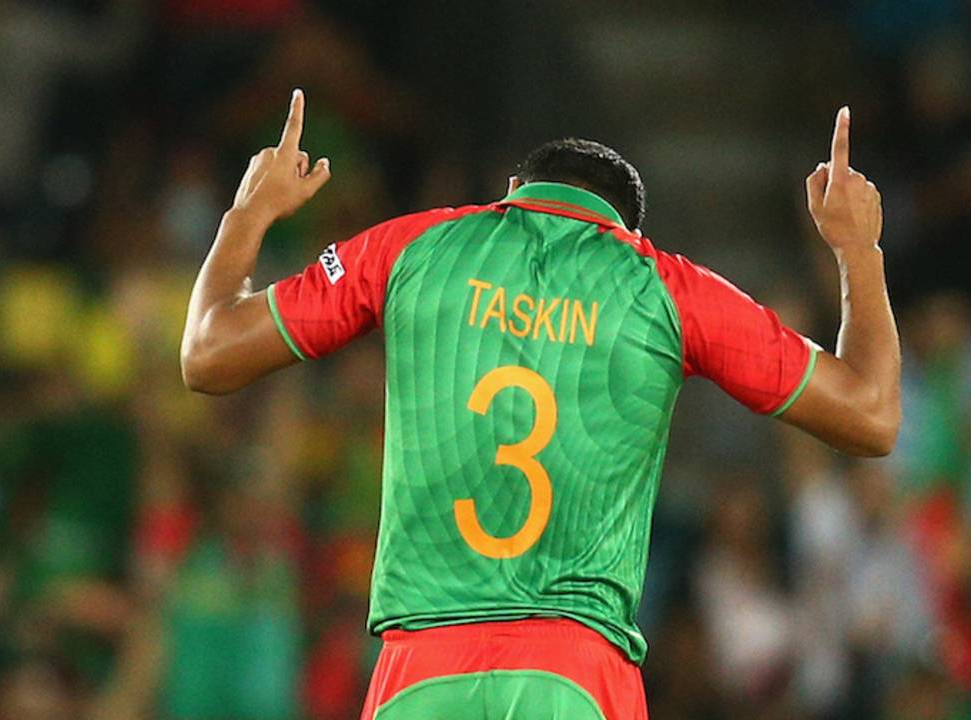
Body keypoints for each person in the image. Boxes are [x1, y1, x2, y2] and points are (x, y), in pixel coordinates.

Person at [180, 89, 899, 720]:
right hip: (575, 675)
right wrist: (856, 247)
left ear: (511, 193)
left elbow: (209, 354)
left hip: (420, 672)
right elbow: (869, 414)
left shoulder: (412, 249)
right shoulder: (665, 289)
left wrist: (250, 213)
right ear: (627, 231)